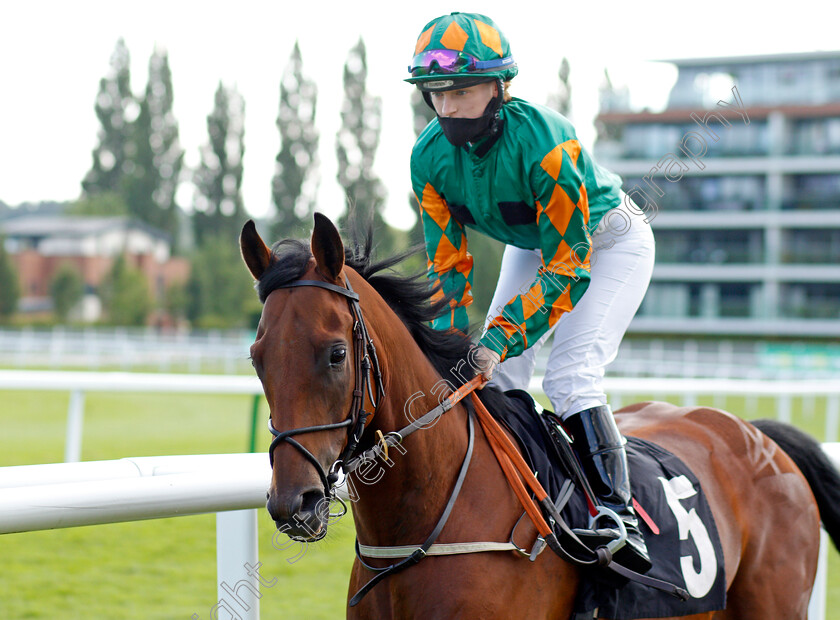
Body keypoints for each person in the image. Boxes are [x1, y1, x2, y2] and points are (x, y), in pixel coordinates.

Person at [406, 12, 655, 573]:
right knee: (492, 374)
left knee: (570, 373)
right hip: (531, 243)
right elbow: (448, 268)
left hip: (607, 238)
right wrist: (449, 351)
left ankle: (620, 517)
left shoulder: (547, 143)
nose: (447, 108)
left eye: (462, 91)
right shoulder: (427, 159)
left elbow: (568, 265)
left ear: (500, 87)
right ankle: (517, 499)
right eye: (435, 93)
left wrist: (496, 336)